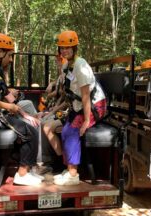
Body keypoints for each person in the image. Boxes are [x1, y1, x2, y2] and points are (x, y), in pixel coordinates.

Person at [0, 33, 42, 186]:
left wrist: (26, 114)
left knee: (30, 124)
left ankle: (29, 169)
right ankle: (22, 175)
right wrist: (8, 107)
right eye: (10, 55)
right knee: (30, 132)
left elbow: (9, 97)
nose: (11, 59)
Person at [53, 30, 107, 185]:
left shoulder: (80, 65)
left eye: (68, 47)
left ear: (74, 47)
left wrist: (86, 121)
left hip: (95, 106)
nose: (64, 50)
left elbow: (85, 96)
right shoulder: (66, 65)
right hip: (79, 106)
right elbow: (68, 91)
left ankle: (73, 174)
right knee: (64, 131)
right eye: (62, 48)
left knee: (72, 131)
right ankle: (68, 169)